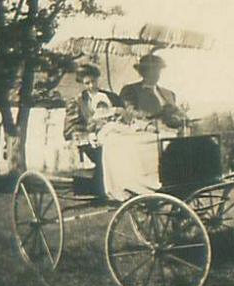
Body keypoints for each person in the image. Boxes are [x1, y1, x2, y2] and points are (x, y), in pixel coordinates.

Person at [63, 64, 124, 196]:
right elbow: (70, 128)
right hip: (90, 142)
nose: (91, 85)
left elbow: (123, 115)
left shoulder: (111, 97)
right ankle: (104, 189)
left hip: (113, 134)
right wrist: (87, 135)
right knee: (107, 154)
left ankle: (121, 186)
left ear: (98, 79)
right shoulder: (77, 102)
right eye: (87, 83)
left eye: (93, 81)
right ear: (82, 83)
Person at [119, 54, 185, 129]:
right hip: (146, 133)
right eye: (150, 70)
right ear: (142, 72)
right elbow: (130, 114)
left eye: (157, 69)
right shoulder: (130, 90)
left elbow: (178, 115)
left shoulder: (169, 94)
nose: (154, 73)